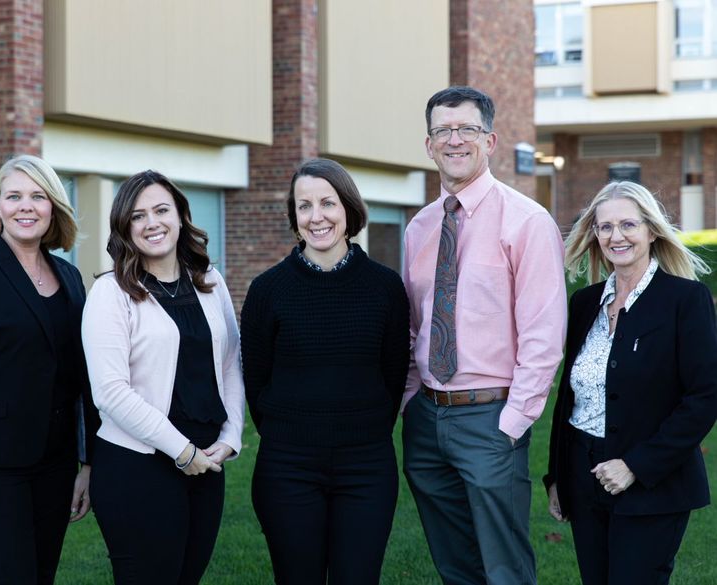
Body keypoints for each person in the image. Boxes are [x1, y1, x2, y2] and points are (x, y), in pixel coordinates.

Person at [401, 86, 567, 585]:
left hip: (491, 416)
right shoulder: (419, 228)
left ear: (490, 140)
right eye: (442, 131)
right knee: (455, 565)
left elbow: (543, 334)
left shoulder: (528, 222)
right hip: (427, 419)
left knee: (505, 569)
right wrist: (410, 403)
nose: (455, 140)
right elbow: (415, 327)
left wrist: (512, 422)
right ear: (429, 145)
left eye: (467, 129)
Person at [241, 158, 409, 584]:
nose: (317, 217)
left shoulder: (386, 287)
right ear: (294, 218)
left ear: (349, 209)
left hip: (366, 466)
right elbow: (256, 381)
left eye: (327, 203)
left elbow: (392, 374)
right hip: (288, 466)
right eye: (304, 206)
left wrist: (359, 426)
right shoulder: (267, 290)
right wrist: (293, 429)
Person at [544, 181, 717, 585]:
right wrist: (558, 477)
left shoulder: (685, 300)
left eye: (627, 225)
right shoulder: (585, 302)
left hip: (652, 482)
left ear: (651, 230)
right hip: (583, 477)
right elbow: (570, 398)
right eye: (605, 227)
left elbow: (706, 396)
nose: (615, 236)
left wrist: (635, 466)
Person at [0, 154, 99, 584]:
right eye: (14, 196)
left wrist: (86, 463)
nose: (26, 206)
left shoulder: (68, 275)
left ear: (53, 207)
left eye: (38, 196)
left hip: (54, 466)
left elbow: (81, 377)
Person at [81, 170, 244, 584]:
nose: (152, 223)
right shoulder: (111, 292)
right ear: (124, 226)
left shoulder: (210, 281)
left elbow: (229, 362)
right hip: (138, 467)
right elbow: (110, 393)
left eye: (161, 210)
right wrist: (182, 451)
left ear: (180, 216)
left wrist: (230, 436)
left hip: (206, 464)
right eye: (138, 216)